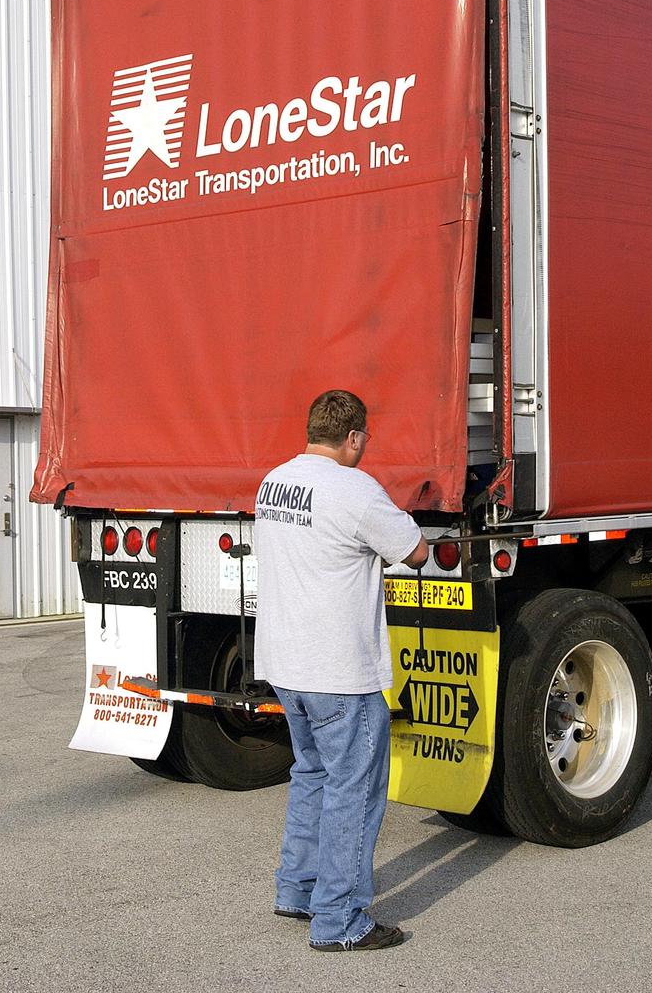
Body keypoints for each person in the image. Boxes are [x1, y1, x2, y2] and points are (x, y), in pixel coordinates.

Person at [253, 389, 429, 952]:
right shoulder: (354, 489)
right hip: (338, 672)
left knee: (312, 775)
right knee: (354, 790)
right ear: (353, 437)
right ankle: (341, 921)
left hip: (286, 664)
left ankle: (298, 891)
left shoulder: (273, 481)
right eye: (364, 439)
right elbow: (416, 552)